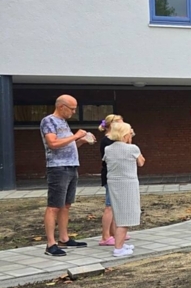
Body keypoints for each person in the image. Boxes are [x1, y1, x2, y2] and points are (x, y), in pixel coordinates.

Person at [39, 95, 95, 257]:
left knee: (66, 205)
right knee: (54, 205)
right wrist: (76, 135)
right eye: (72, 108)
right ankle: (51, 244)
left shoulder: (64, 122)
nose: (74, 112)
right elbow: (53, 144)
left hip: (71, 166)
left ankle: (64, 238)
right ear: (61, 106)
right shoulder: (49, 121)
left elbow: (67, 144)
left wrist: (81, 141)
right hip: (58, 167)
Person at [103, 121, 145, 257]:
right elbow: (141, 162)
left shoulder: (108, 149)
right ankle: (118, 249)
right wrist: (131, 145)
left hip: (113, 183)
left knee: (118, 214)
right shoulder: (132, 148)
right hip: (127, 184)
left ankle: (119, 243)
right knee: (126, 216)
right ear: (125, 135)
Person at [98, 114, 126, 246]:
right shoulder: (107, 141)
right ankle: (105, 236)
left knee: (115, 206)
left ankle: (114, 232)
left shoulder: (113, 140)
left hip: (115, 174)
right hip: (110, 175)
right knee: (109, 206)